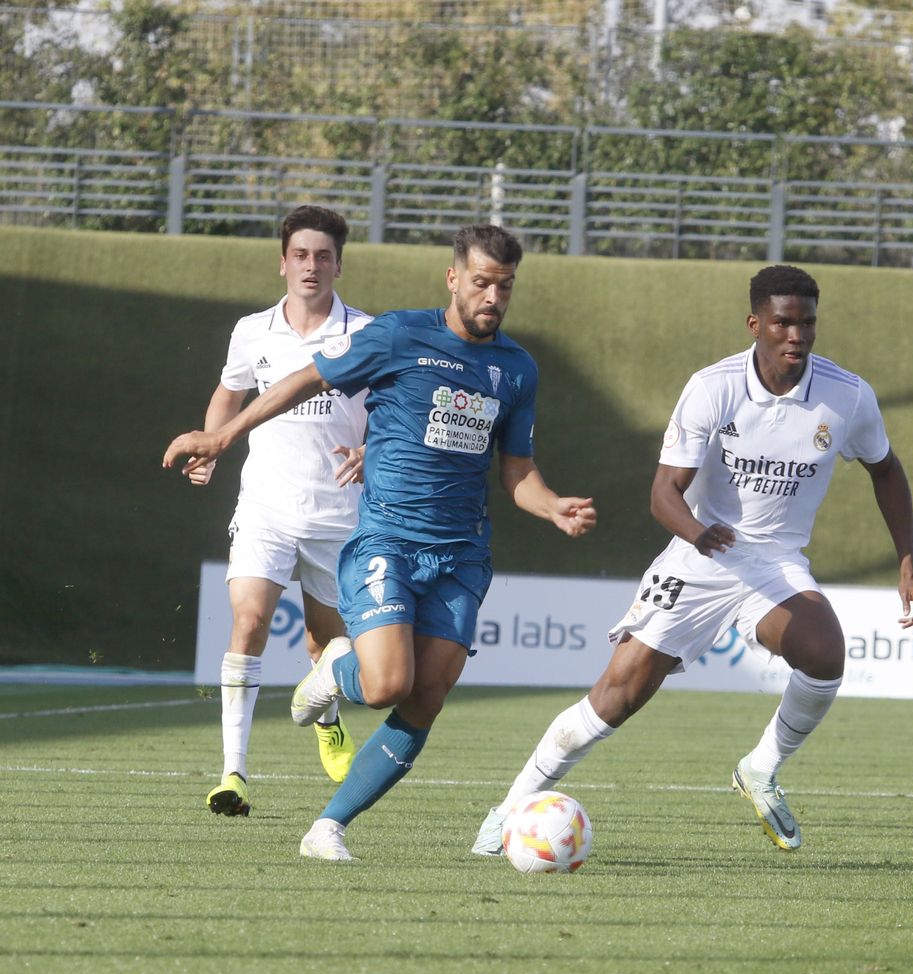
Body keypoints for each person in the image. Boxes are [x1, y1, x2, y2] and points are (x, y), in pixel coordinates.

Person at [164, 224, 597, 861]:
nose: (492, 297)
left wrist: (552, 504)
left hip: (462, 556)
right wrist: (221, 438)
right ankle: (331, 673)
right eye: (481, 282)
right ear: (454, 278)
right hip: (387, 543)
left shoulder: (517, 369)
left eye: (504, 287)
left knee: (427, 696)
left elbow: (516, 471)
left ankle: (327, 828)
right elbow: (304, 380)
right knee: (388, 683)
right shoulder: (398, 334)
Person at [472, 264, 913, 855]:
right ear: (755, 324)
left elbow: (886, 471)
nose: (797, 335)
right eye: (783, 323)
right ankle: (510, 810)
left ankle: (761, 769)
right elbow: (664, 492)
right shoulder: (715, 387)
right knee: (616, 697)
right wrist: (698, 532)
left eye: (808, 323)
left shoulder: (847, 396)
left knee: (825, 653)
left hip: (775, 561)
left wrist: (908, 564)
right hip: (698, 557)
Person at [187, 205, 371, 818]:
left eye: (323, 256)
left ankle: (326, 714)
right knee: (249, 622)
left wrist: (372, 450)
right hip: (265, 506)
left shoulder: (366, 333)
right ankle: (233, 773)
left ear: (339, 263)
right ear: (283, 261)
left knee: (328, 647)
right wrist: (213, 446)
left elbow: (397, 409)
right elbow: (227, 393)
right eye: (301, 255)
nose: (311, 266)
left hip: (338, 515)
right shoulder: (252, 330)